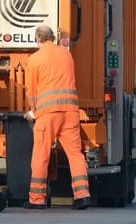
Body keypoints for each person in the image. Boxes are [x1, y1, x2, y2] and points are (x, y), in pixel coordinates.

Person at [23, 25, 91, 210]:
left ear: (38, 39)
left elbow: (32, 91)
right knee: (75, 154)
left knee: (41, 155)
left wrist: (33, 111)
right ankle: (82, 194)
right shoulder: (66, 55)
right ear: (52, 37)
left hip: (48, 114)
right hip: (70, 112)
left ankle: (37, 199)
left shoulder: (35, 59)